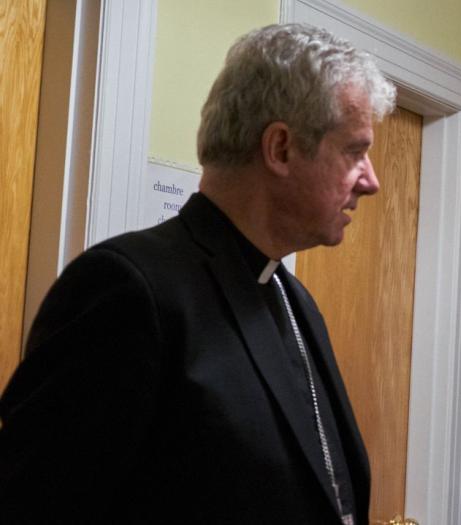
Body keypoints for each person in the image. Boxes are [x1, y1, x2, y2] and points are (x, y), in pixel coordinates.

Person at [0, 24, 395, 524]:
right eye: (355, 152)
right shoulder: (127, 290)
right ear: (280, 148)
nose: (371, 182)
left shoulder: (293, 297)